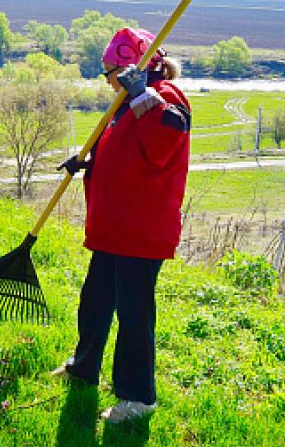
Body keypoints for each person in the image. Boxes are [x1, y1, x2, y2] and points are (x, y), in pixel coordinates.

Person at [53, 27, 191, 424]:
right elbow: (126, 157)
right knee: (95, 302)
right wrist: (88, 165)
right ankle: (83, 368)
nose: (109, 81)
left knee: (134, 315)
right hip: (114, 230)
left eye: (112, 71)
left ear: (135, 67)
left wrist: (141, 95)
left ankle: (136, 398)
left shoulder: (165, 98)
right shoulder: (124, 103)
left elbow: (167, 137)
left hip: (141, 233)